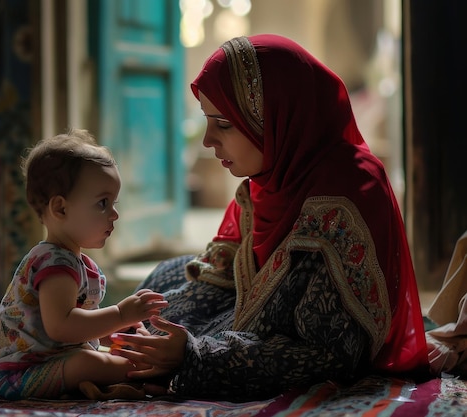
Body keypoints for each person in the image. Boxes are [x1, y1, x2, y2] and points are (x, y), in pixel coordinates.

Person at [108, 34, 430, 401]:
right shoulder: (270, 178)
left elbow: (329, 354)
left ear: (278, 117)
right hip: (253, 312)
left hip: (298, 334)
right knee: (159, 292)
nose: (208, 141)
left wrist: (194, 356)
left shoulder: (347, 195)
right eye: (207, 121)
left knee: (168, 338)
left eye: (224, 124)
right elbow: (223, 273)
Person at [0, 128, 168, 400]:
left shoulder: (74, 262)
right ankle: (137, 376)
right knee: (91, 363)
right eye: (102, 203)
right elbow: (62, 327)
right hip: (23, 374)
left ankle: (105, 383)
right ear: (60, 209)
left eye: (114, 202)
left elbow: (77, 331)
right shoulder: (53, 263)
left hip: (53, 361)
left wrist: (117, 333)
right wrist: (119, 315)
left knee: (107, 357)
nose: (115, 214)